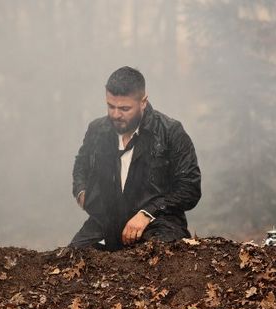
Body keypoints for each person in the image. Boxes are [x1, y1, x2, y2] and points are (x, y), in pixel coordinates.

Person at [69, 66, 201, 250]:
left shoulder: (171, 131)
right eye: (110, 106)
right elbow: (81, 165)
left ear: (143, 101)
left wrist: (148, 213)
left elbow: (190, 188)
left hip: (160, 223)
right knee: (69, 259)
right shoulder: (97, 130)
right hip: (106, 222)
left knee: (155, 258)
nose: (115, 114)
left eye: (124, 108)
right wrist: (82, 194)